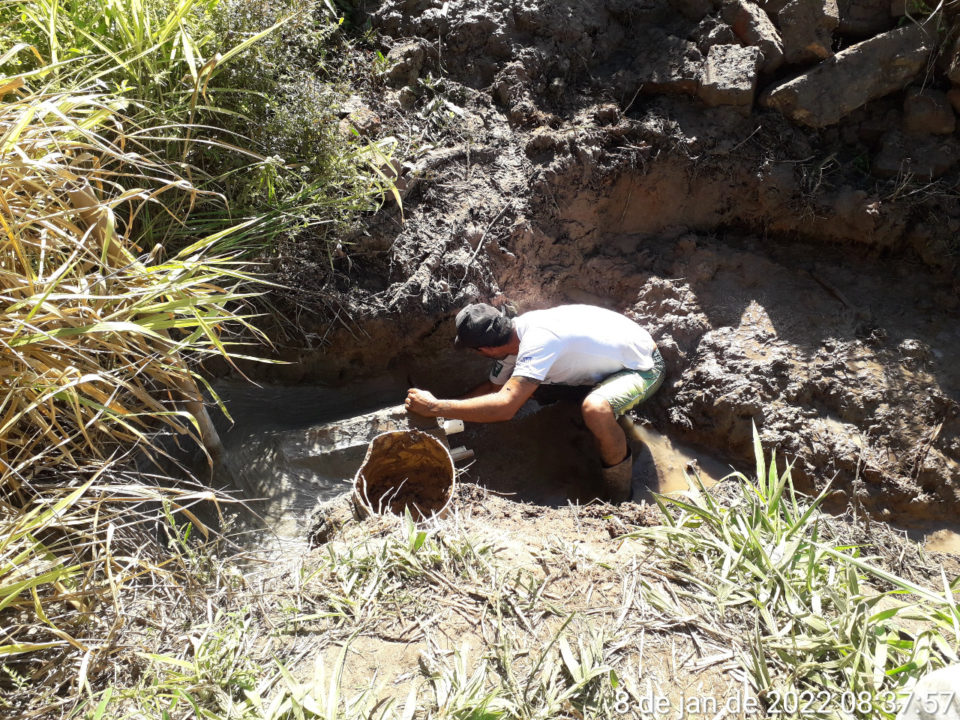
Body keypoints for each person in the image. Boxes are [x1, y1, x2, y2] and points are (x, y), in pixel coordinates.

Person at [404, 303, 665, 500]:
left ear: (485, 350)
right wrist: (441, 415)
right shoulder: (514, 338)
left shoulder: (539, 342)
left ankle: (619, 494)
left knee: (595, 409)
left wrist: (435, 407)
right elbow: (494, 389)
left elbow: (505, 406)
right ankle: (585, 412)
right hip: (607, 360)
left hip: (643, 365)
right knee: (531, 389)